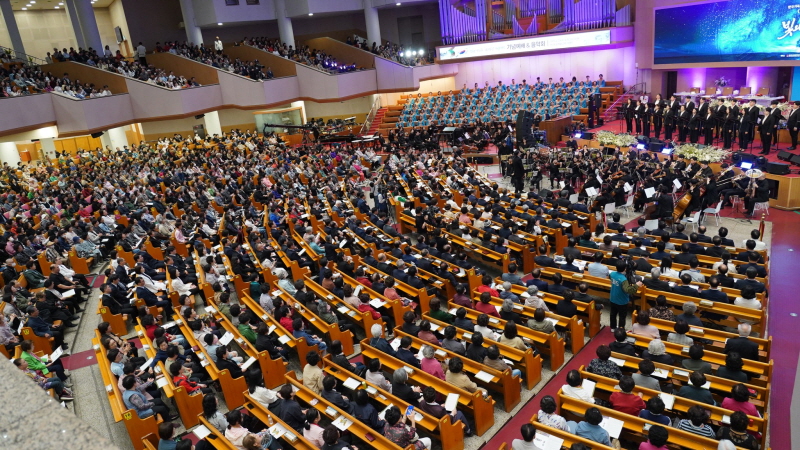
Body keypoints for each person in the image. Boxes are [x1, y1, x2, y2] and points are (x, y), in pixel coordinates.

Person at [609, 260, 641, 329]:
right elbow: (628, 290)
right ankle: (621, 328)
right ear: (625, 268)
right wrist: (636, 285)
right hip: (622, 300)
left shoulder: (612, 274)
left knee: (613, 314)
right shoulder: (624, 280)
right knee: (622, 316)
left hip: (613, 298)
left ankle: (612, 327)